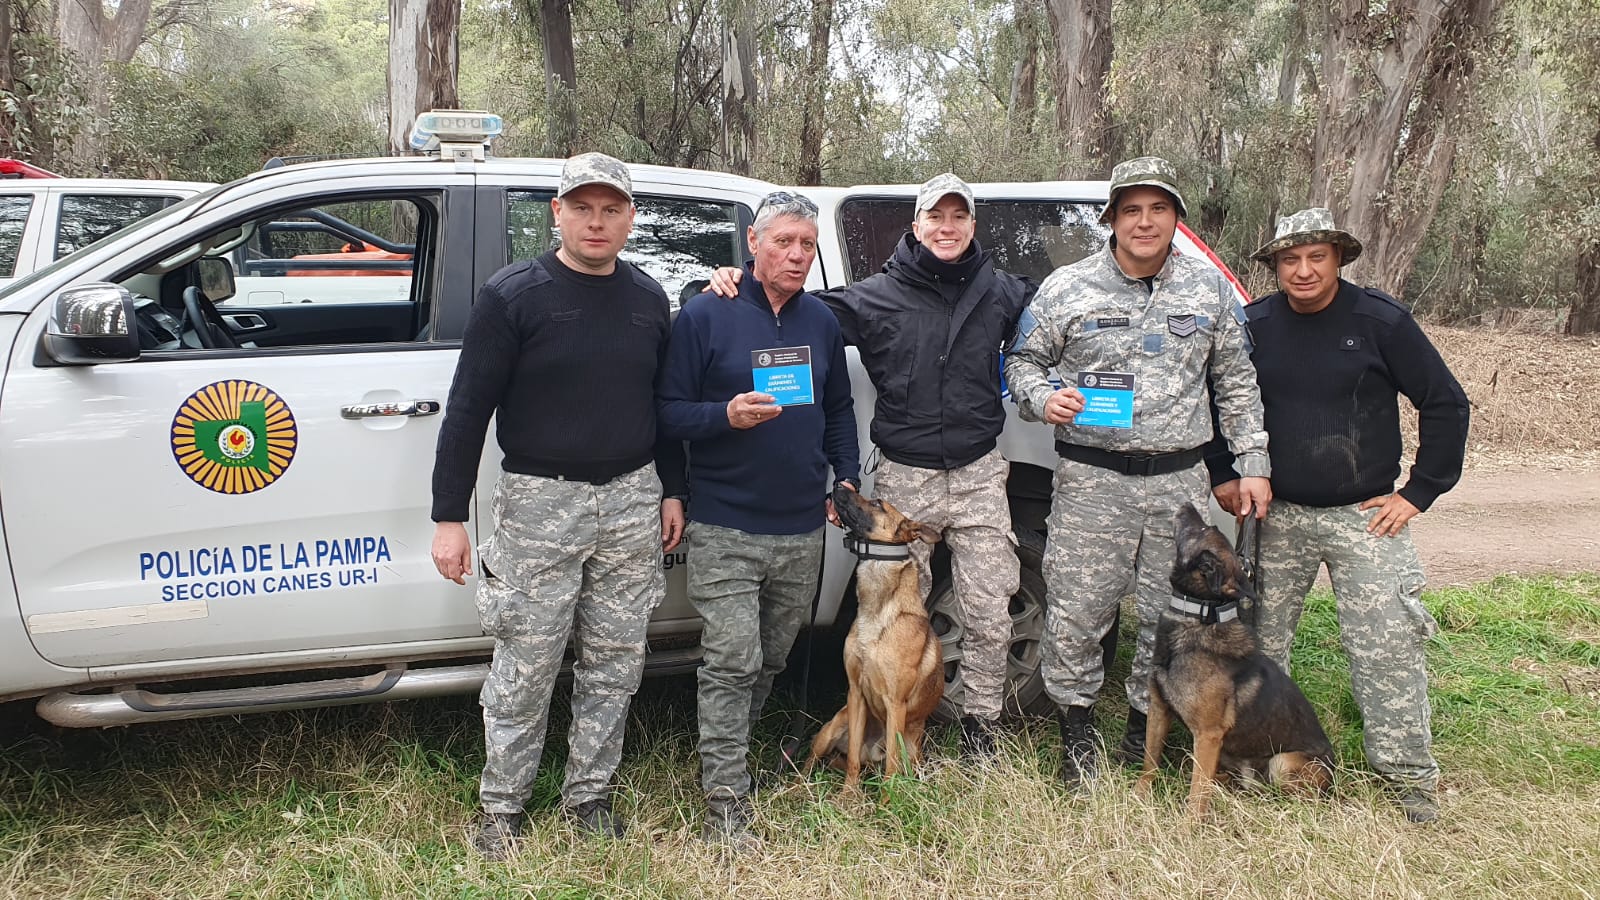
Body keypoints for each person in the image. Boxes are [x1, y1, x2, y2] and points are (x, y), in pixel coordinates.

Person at [708, 174, 1032, 757]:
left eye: (959, 218)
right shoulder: (875, 295)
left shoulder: (1006, 292)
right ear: (916, 226)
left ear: (973, 227)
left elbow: (1056, 331)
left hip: (981, 470)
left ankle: (981, 724)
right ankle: (895, 727)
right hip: (906, 481)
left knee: (989, 604)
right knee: (896, 617)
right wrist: (724, 279)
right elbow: (790, 306)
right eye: (936, 217)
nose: (947, 228)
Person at [429, 152, 686, 859]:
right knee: (526, 662)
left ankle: (589, 796)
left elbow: (660, 407)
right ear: (557, 213)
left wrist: (673, 487)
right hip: (541, 502)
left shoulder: (647, 299)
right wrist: (448, 515)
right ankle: (502, 809)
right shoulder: (513, 296)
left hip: (632, 500)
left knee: (615, 660)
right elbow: (467, 411)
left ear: (631, 218)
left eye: (611, 209)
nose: (596, 222)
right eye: (582, 208)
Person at [1003, 156, 1272, 788]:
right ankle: (1077, 735)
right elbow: (1022, 363)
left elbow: (1236, 383)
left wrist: (1252, 464)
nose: (1144, 222)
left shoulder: (1207, 290)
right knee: (1076, 608)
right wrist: (1043, 399)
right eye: (1131, 210)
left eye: (1158, 209)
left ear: (1175, 218)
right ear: (1112, 220)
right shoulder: (1066, 288)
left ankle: (1137, 733)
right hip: (1092, 480)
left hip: (1179, 484)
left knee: (1169, 614)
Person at [1206, 208, 1470, 823]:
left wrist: (1419, 491)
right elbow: (1214, 396)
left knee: (1388, 647)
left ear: (1339, 259)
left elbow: (1446, 402)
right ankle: (1253, 764)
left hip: (1366, 516)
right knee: (1258, 649)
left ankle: (1408, 781)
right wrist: (1223, 471)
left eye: (1316, 257)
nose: (1303, 270)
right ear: (1274, 266)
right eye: (1289, 260)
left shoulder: (1381, 321)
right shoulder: (1253, 326)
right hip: (1275, 517)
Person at [658, 190, 860, 848]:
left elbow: (836, 410)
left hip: (801, 527)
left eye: (807, 245)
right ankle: (724, 795)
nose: (797, 255)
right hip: (725, 524)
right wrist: (725, 417)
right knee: (732, 660)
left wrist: (845, 476)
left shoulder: (821, 323)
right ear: (753, 243)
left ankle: (733, 755)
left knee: (770, 659)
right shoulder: (705, 315)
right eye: (784, 242)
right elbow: (667, 414)